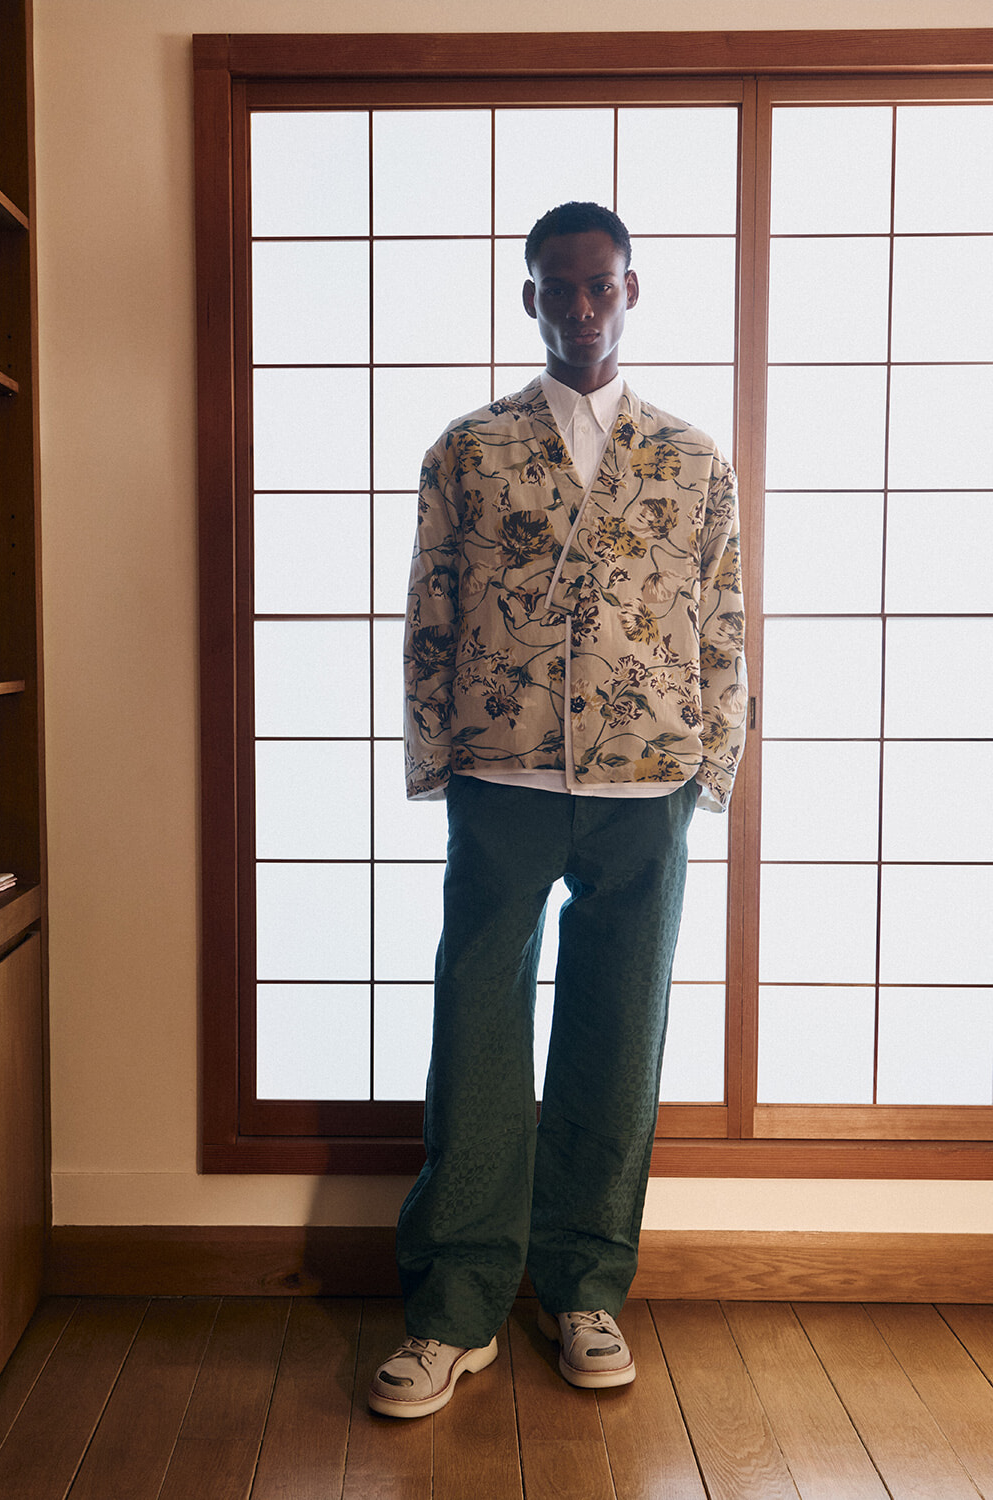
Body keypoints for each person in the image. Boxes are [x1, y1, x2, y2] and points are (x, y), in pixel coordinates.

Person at [368, 201, 746, 1419]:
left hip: (647, 780)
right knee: (477, 1022)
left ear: (633, 290)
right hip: (505, 773)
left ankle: (584, 1286)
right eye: (557, 288)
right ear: (527, 296)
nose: (581, 308)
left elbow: (726, 618)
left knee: (617, 1027)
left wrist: (715, 762)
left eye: (601, 287)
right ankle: (456, 1305)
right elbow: (430, 611)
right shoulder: (468, 450)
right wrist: (438, 757)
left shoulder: (691, 457)